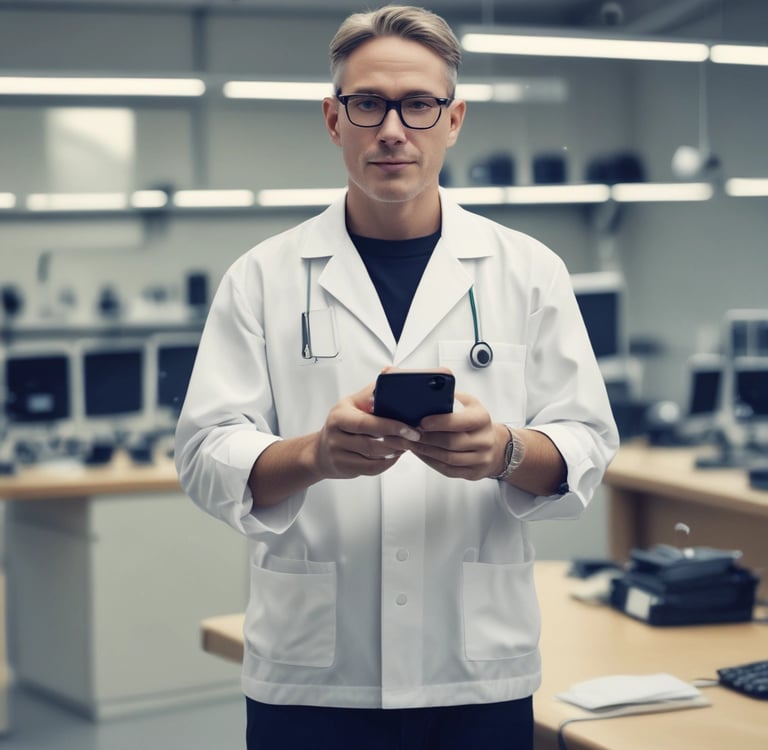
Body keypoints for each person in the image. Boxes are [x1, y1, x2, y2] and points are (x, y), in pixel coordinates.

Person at [175, 5, 619, 748]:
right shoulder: (262, 277)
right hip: (314, 676)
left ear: (453, 119)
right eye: (368, 103)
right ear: (332, 118)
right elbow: (204, 454)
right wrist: (315, 455)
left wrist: (506, 451)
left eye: (418, 104)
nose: (392, 128)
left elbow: (586, 445)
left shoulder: (529, 271)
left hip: (475, 669)